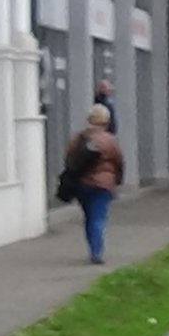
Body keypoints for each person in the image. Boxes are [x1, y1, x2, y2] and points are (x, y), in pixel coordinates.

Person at [66, 104, 125, 265]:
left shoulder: (78, 138)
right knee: (98, 217)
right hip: (104, 184)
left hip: (83, 184)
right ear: (105, 120)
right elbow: (119, 161)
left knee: (89, 216)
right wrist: (117, 180)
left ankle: (93, 247)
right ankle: (96, 252)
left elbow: (70, 159)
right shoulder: (110, 140)